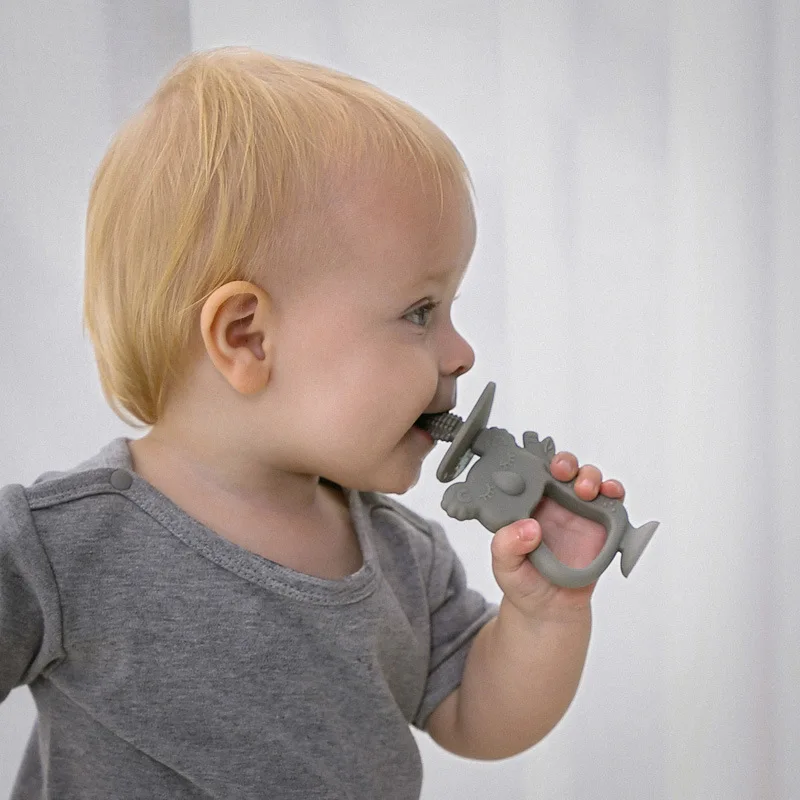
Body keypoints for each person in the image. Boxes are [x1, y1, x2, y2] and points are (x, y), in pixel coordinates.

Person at [0, 47, 626, 799]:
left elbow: (475, 716)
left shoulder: (401, 552)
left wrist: (544, 617)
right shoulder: (59, 548)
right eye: (420, 312)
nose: (461, 353)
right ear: (248, 338)